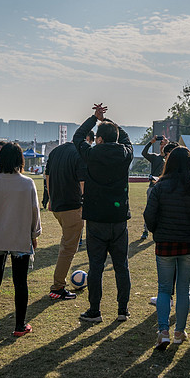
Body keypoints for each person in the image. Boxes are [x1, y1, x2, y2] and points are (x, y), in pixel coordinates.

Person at [144, 147, 190, 349]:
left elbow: (149, 216)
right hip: (188, 245)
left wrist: (158, 231)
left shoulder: (159, 187)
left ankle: (163, 330)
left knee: (164, 289)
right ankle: (179, 332)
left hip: (164, 243)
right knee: (183, 289)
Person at [73, 103, 133, 323]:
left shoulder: (91, 153)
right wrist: (110, 123)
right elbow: (125, 140)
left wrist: (95, 118)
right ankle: (122, 310)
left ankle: (95, 311)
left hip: (96, 218)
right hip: (119, 220)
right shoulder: (125, 153)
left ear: (98, 139)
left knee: (96, 267)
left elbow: (77, 138)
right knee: (121, 266)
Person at [0, 142, 42, 337]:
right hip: (20, 236)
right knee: (20, 282)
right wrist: (34, 235)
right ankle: (19, 326)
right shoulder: (26, 183)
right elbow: (34, 212)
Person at [43, 137, 86, 301]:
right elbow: (83, 182)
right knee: (68, 248)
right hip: (72, 207)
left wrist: (51, 199)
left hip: (57, 206)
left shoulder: (55, 151)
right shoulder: (80, 152)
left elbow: (47, 176)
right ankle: (58, 287)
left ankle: (58, 285)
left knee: (66, 244)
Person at [140, 135, 167, 240]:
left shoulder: (170, 160)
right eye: (161, 144)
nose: (162, 146)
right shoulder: (155, 157)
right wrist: (151, 142)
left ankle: (160, 230)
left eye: (165, 145)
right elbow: (144, 153)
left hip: (164, 188)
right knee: (149, 209)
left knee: (163, 210)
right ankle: (145, 231)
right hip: (153, 187)